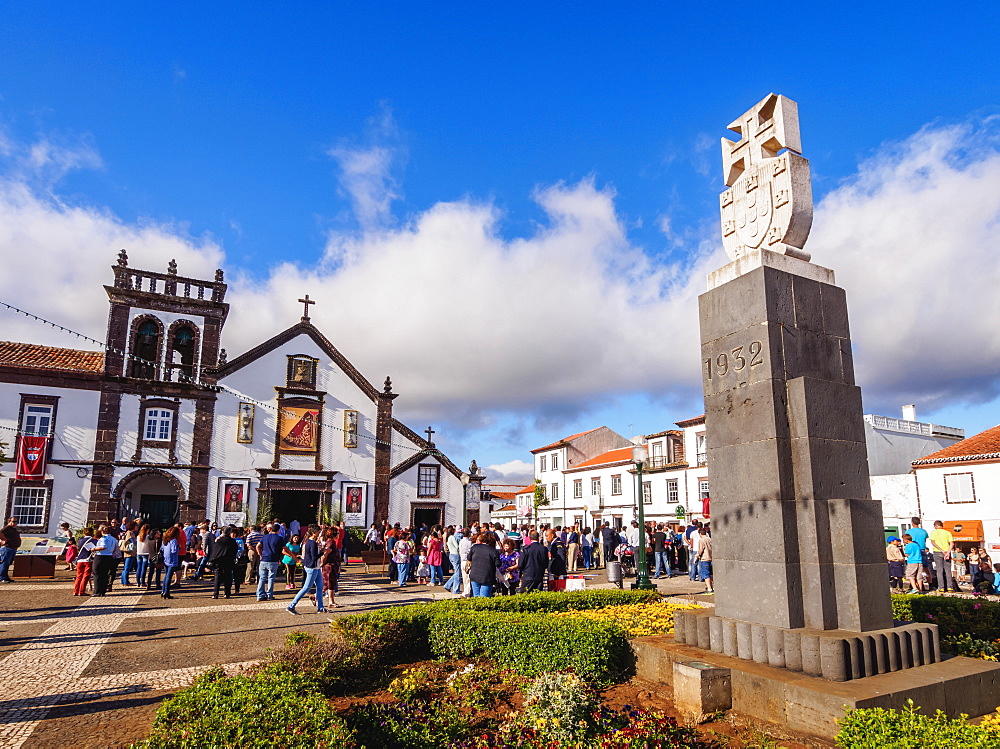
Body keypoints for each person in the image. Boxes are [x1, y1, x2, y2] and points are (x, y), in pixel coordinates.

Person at [288, 525, 329, 614]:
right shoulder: (312, 543)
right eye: (318, 532)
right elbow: (314, 557)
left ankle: (321, 607)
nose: (319, 533)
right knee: (306, 587)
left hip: (315, 567)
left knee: (320, 587)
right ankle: (291, 606)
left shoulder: (309, 542)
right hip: (312, 567)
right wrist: (324, 552)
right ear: (314, 532)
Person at [929, 520, 961, 593]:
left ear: (936, 525)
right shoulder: (947, 533)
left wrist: (941, 550)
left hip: (937, 552)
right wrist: (948, 552)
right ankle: (950, 587)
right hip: (947, 552)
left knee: (939, 570)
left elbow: (933, 543)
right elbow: (952, 544)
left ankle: (941, 588)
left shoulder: (933, 532)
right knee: (948, 570)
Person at [255, 523, 284, 601]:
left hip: (264, 559)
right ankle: (269, 595)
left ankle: (260, 595)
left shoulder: (264, 537)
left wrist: (260, 554)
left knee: (262, 578)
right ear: (278, 530)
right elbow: (284, 548)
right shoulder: (279, 538)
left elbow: (258, 546)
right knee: (271, 578)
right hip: (273, 559)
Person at [467, 532, 500, 597]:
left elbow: (469, 558)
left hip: (474, 575)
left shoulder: (474, 547)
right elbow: (498, 564)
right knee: (484, 598)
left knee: (476, 596)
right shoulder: (493, 551)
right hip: (487, 576)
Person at [92, 525, 120, 596]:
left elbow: (103, 547)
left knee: (97, 573)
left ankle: (97, 591)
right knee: (105, 574)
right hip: (109, 556)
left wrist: (94, 549)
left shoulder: (103, 538)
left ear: (102, 531)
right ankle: (102, 591)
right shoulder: (113, 539)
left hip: (101, 556)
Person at [321, 526, 342, 610]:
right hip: (329, 565)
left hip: (333, 565)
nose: (338, 534)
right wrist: (322, 563)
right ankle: (331, 601)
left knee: (328, 584)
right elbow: (325, 553)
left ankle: (316, 597)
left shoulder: (331, 542)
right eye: (337, 533)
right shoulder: (331, 542)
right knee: (330, 583)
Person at [73, 528, 99, 595]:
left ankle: (75, 591)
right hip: (88, 559)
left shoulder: (80, 540)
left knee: (79, 576)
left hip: (79, 560)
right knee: (86, 576)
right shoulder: (94, 540)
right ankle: (81, 591)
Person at [0, 518, 22, 583]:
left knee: (8, 564)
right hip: (7, 548)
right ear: (9, 521)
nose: (15, 523)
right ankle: (2, 578)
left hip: (12, 548)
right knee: (4, 563)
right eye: (14, 521)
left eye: (16, 521)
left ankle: (6, 577)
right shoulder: (7, 528)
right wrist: (4, 540)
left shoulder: (14, 529)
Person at [161, 526, 181, 599]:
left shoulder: (165, 539)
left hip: (166, 559)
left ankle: (163, 591)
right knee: (169, 577)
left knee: (166, 576)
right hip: (172, 560)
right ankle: (167, 592)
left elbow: (162, 549)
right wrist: (178, 547)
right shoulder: (174, 540)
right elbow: (174, 551)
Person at [444, 529, 464, 594]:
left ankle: (447, 585)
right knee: (458, 573)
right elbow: (457, 546)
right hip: (455, 555)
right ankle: (455, 589)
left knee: (457, 572)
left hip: (451, 554)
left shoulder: (448, 538)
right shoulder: (452, 537)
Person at [695, 525, 713, 594]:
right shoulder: (710, 539)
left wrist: (696, 557)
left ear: (700, 534)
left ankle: (709, 589)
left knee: (705, 574)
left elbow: (700, 550)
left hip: (704, 558)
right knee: (710, 574)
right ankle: (712, 586)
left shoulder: (701, 540)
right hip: (711, 558)